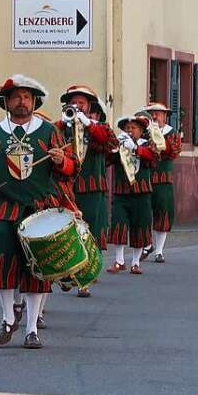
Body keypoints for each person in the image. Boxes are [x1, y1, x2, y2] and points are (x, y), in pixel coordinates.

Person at [0, 75, 77, 349]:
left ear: (34, 101)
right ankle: (7, 319)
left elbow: (72, 167)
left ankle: (31, 329)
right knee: (2, 263)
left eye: (27, 97)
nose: (22, 101)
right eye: (16, 97)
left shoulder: (49, 131)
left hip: (41, 209)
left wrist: (62, 161)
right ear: (6, 102)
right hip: (5, 208)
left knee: (37, 269)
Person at [55, 86, 117, 297]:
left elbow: (111, 142)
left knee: (89, 232)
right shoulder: (61, 127)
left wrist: (88, 123)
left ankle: (84, 279)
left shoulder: (98, 128)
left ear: (89, 106)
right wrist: (65, 122)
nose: (77, 106)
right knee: (65, 232)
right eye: (74, 102)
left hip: (92, 188)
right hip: (66, 188)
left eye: (81, 103)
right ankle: (66, 272)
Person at [107, 115, 156, 274]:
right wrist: (114, 148)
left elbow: (153, 158)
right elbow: (108, 160)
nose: (129, 130)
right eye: (127, 128)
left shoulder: (147, 144)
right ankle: (119, 260)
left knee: (140, 226)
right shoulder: (120, 144)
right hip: (121, 192)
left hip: (141, 193)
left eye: (133, 128)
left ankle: (135, 262)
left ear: (141, 131)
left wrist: (135, 148)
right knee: (119, 225)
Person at [138, 102, 182, 263]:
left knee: (163, 212)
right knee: (143, 212)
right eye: (152, 113)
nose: (155, 116)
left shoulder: (171, 133)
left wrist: (157, 135)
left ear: (164, 116)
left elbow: (174, 151)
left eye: (158, 113)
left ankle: (159, 250)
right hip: (145, 177)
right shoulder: (142, 133)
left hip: (163, 179)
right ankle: (147, 244)